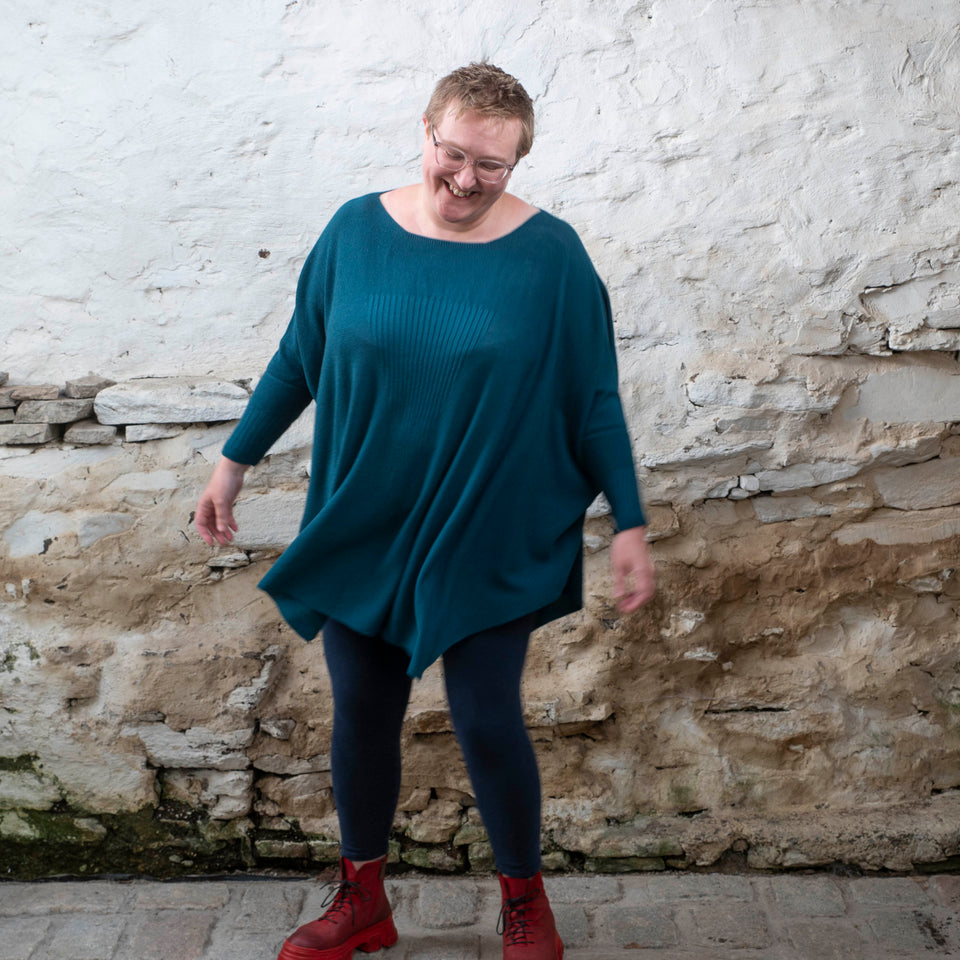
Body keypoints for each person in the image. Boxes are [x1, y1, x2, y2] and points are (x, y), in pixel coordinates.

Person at [195, 62, 655, 960]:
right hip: (366, 515)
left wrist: (629, 520)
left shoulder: (553, 257)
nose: (468, 179)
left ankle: (526, 904)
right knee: (362, 710)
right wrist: (232, 462)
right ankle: (363, 899)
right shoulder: (354, 233)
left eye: (495, 165)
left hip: (487, 520)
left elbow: (592, 396)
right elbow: (300, 356)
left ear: (518, 160)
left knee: (486, 714)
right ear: (427, 131)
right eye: (455, 154)